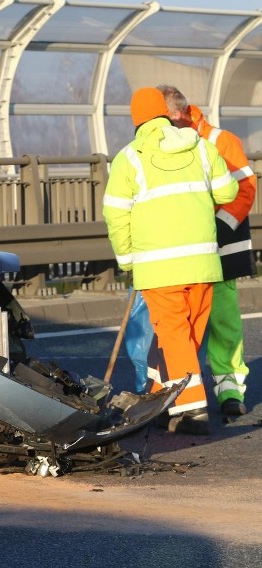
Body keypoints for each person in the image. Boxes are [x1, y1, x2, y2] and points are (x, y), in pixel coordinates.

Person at [103, 87, 238, 435]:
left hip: (158, 267)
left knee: (175, 336)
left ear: (136, 120)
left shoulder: (129, 158)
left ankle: (192, 411)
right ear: (166, 113)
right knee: (187, 336)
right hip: (203, 263)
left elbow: (116, 214)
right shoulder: (202, 147)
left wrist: (127, 259)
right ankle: (163, 397)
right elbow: (228, 192)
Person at [157, 85, 257, 416]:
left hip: (221, 244)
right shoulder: (160, 139)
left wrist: (216, 228)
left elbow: (245, 189)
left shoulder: (220, 140)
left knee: (223, 317)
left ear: (180, 114)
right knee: (174, 325)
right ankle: (168, 393)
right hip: (181, 246)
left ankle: (229, 390)